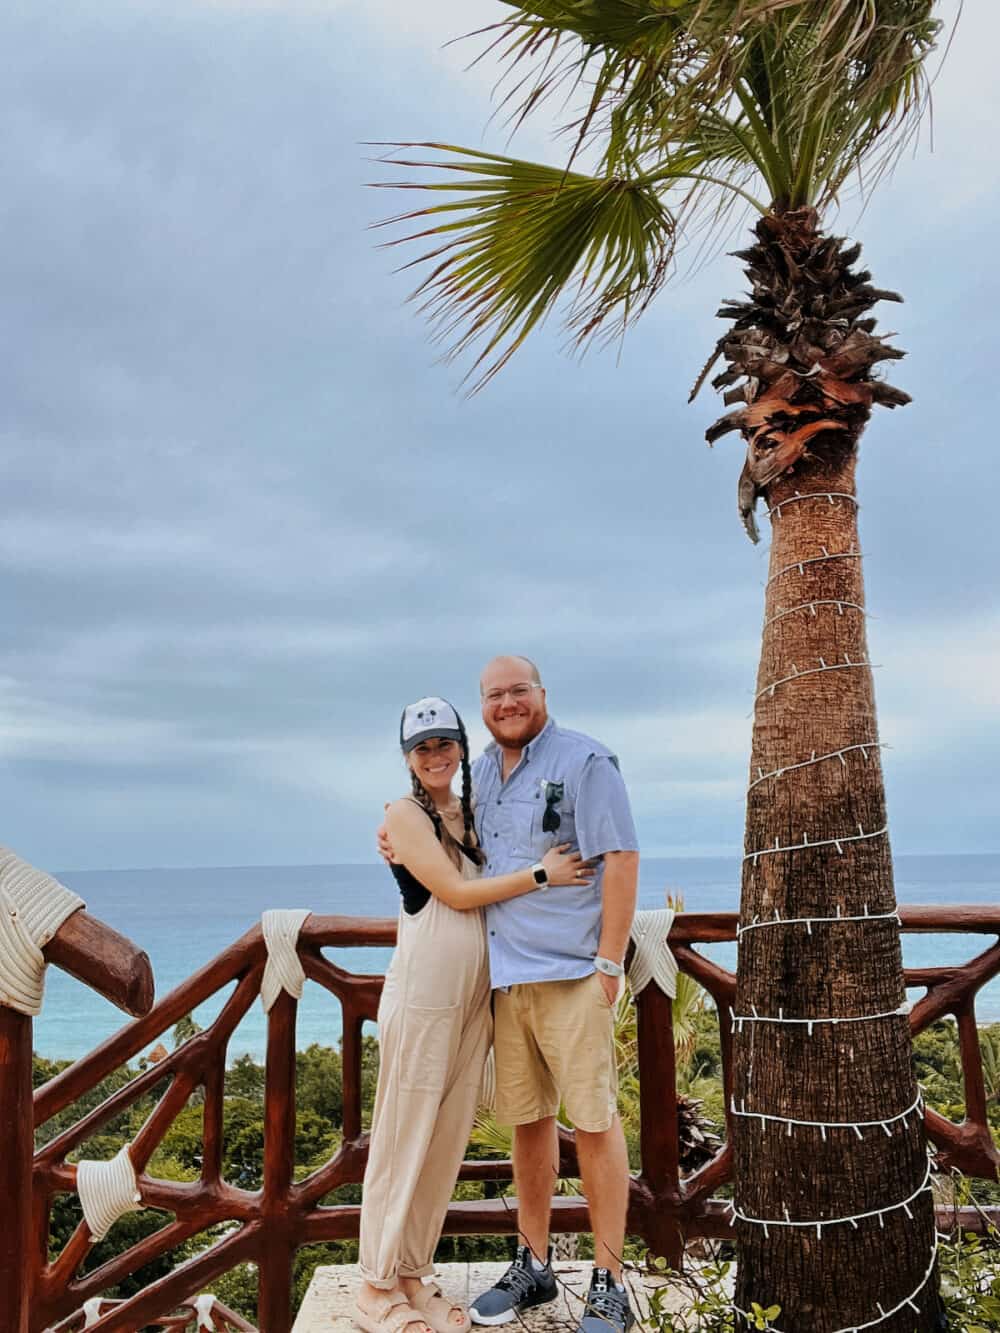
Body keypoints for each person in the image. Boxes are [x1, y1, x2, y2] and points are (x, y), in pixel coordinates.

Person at [378, 661, 640, 1333]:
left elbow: (621, 858)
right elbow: (454, 851)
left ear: (542, 693)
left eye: (518, 690)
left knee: (593, 1123)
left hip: (573, 974)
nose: (507, 702)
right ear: (483, 711)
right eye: (494, 695)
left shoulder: (586, 760)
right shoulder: (484, 775)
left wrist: (610, 961)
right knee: (528, 1122)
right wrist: (396, 841)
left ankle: (609, 1279)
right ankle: (533, 1262)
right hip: (504, 980)